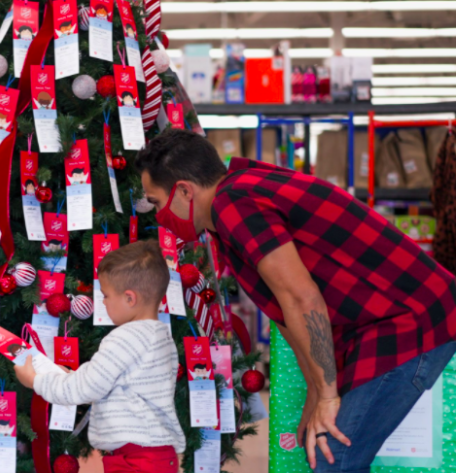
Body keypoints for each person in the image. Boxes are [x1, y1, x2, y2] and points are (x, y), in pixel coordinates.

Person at [136, 128, 456, 473]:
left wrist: (328, 395)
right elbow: (287, 314)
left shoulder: (233, 204)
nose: (157, 215)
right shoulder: (236, 195)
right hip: (381, 324)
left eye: (156, 202)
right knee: (323, 448)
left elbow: (302, 298)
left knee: (335, 458)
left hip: (409, 321)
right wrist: (317, 393)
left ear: (185, 190)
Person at [14, 241, 185, 472]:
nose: (102, 302)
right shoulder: (161, 336)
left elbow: (85, 388)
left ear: (130, 298)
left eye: (105, 295)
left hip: (135, 460)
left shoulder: (124, 338)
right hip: (159, 456)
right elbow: (118, 387)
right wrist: (73, 376)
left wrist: (35, 380)